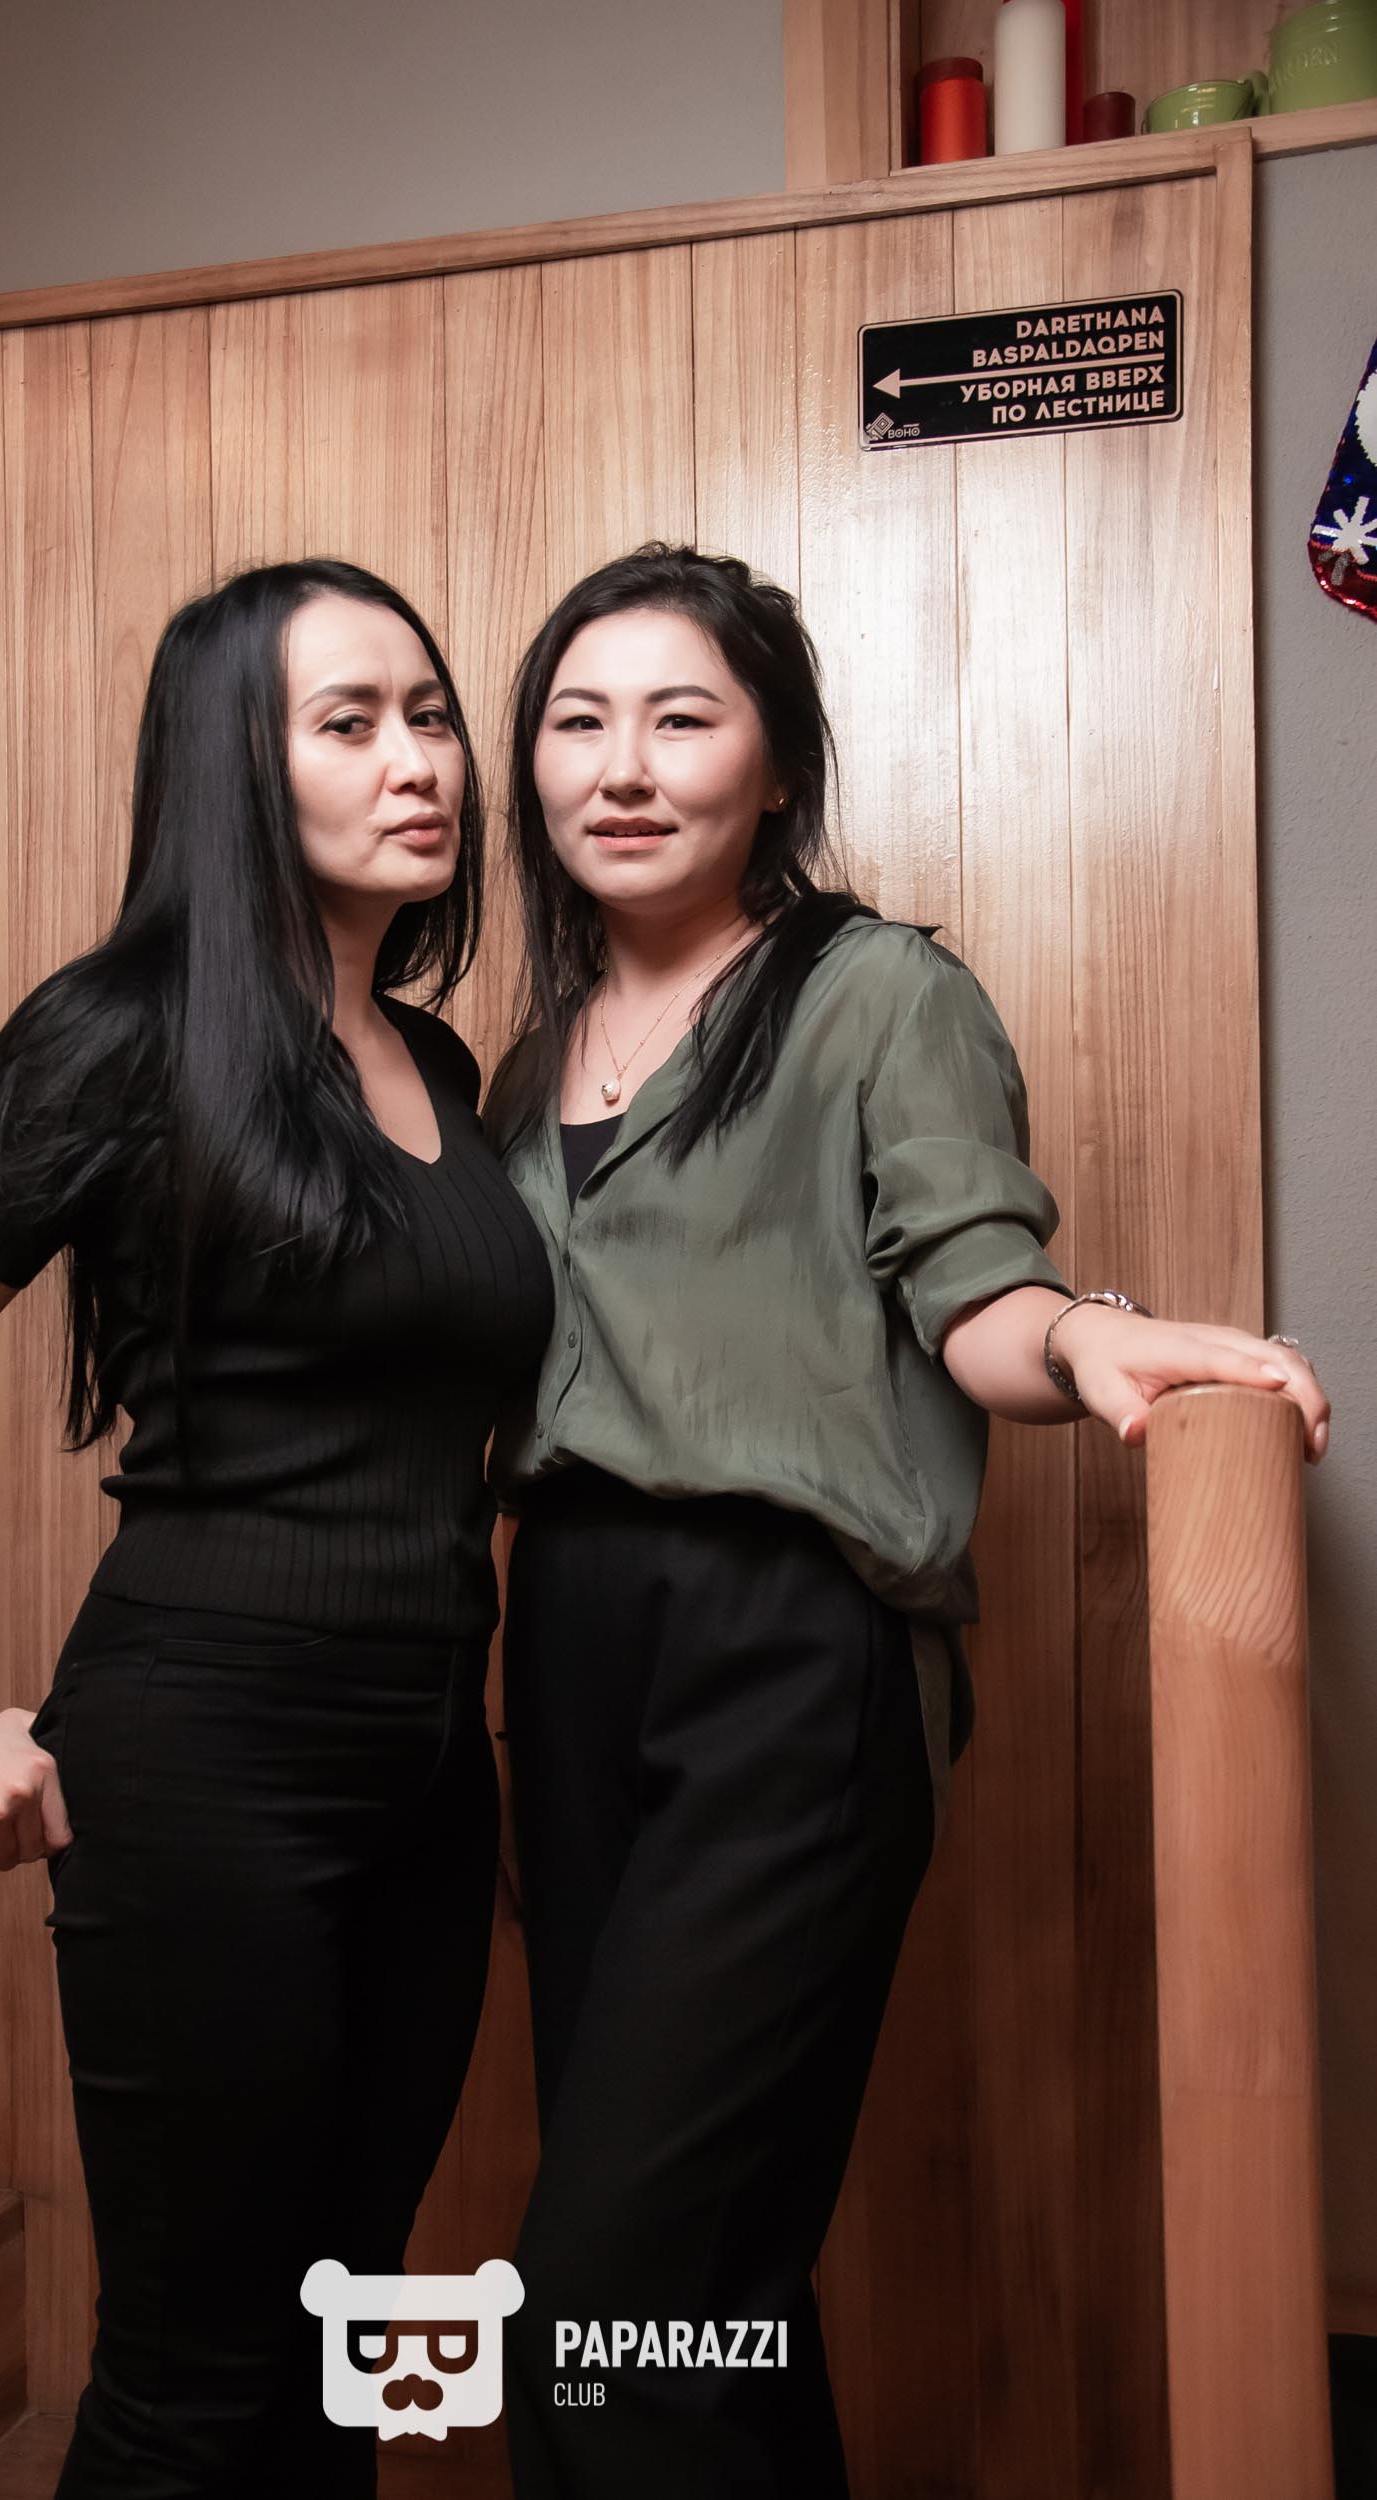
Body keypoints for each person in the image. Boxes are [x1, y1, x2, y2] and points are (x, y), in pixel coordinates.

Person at [482, 543, 1331, 2499]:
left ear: (776, 763)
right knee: (713, 2283)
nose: (623, 765)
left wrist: (1091, 1338)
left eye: (682, 717)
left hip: (793, 1655)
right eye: (578, 720)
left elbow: (975, 1285)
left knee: (610, 2298)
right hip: (571, 1641)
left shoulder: (879, 995)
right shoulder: (526, 1065)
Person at [0, 559, 555, 2499]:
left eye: (431, 714)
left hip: (425, 1774)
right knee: (193, 2384)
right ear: (236, 765)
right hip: (210, 1757)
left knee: (342, 2341)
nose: (421, 761)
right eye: (351, 722)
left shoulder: (438, 1066)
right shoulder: (121, 1029)